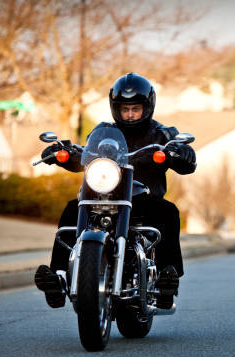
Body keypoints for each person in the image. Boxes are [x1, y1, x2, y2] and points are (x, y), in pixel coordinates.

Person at [34, 72, 196, 310]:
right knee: (72, 208)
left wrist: (182, 154)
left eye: (135, 108)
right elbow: (85, 154)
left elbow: (183, 159)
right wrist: (62, 153)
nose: (130, 114)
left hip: (142, 200)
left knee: (168, 211)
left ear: (147, 107)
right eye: (125, 108)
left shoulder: (161, 134)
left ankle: (166, 280)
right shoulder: (103, 132)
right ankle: (58, 277)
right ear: (115, 108)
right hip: (102, 196)